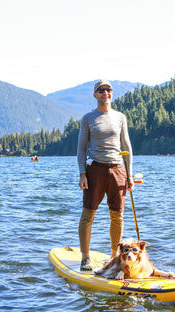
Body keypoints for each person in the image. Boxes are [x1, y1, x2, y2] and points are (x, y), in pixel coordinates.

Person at [76, 79, 134, 271]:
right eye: (101, 90)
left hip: (118, 169)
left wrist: (129, 175)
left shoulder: (120, 117)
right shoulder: (88, 118)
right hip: (95, 170)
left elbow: (126, 147)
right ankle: (85, 258)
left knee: (117, 216)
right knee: (88, 215)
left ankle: (115, 257)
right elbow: (81, 148)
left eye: (108, 90)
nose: (105, 93)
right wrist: (82, 174)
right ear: (95, 95)